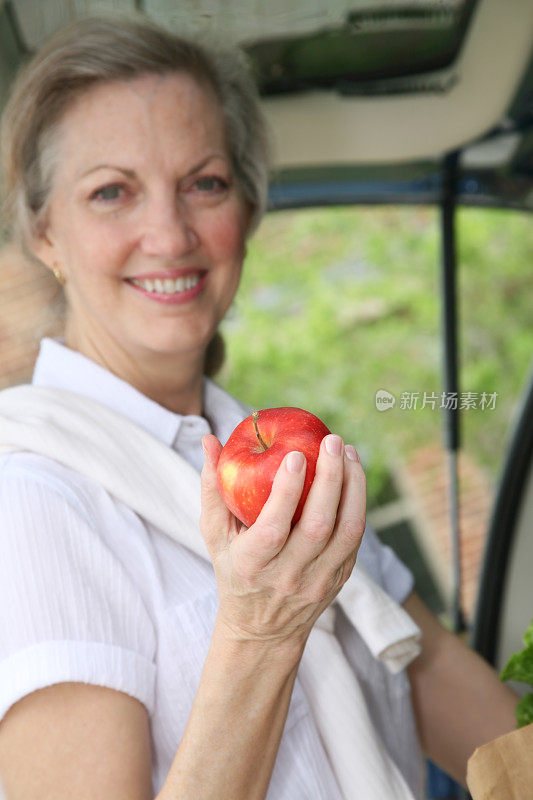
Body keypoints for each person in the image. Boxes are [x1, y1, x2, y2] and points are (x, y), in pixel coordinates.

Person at [0, 12, 518, 800]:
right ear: (43, 233)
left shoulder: (276, 454)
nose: (169, 235)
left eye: (203, 183)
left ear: (246, 209)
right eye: (111, 192)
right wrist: (261, 631)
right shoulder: (32, 502)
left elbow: (428, 665)